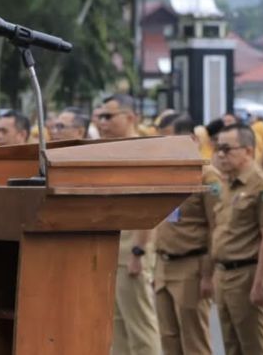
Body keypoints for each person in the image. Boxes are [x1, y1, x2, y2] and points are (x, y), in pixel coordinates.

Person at [98, 94, 161, 355]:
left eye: (109, 116)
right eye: (100, 116)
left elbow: (149, 206)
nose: (103, 122)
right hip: (113, 251)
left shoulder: (143, 152)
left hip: (132, 251)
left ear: (130, 117)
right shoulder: (111, 150)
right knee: (118, 329)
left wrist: (139, 252)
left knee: (141, 329)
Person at [153, 114, 219, 355]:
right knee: (168, 340)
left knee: (194, 342)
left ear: (192, 139)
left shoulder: (209, 176)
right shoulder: (165, 173)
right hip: (164, 265)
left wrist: (208, 275)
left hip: (191, 266)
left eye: (171, 140)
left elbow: (216, 227)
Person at [211, 123, 263, 355]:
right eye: (218, 148)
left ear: (248, 151)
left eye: (227, 149)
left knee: (253, 346)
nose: (220, 154)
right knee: (231, 346)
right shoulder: (227, 183)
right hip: (224, 274)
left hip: (246, 273)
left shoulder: (262, 185)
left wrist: (260, 282)